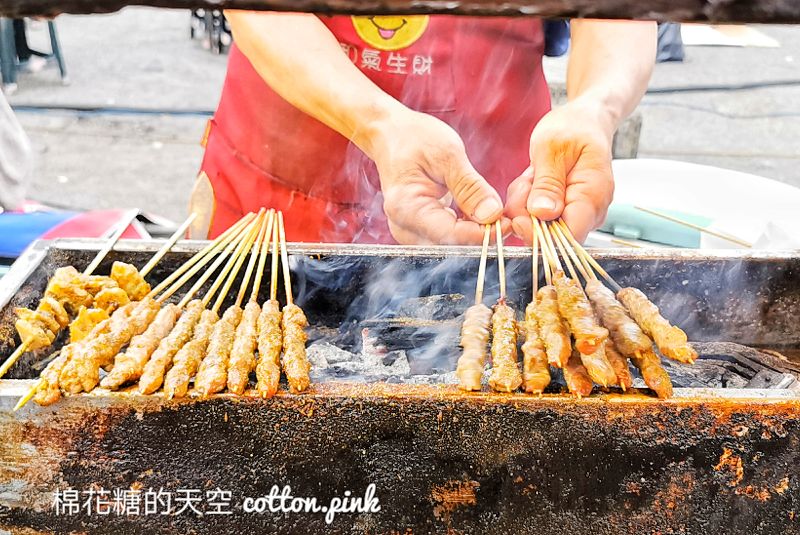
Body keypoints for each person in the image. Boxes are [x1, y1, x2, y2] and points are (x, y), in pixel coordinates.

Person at [194, 13, 656, 244]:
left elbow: (618, 10)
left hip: (488, 194)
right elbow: (257, 8)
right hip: (276, 187)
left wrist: (596, 107)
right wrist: (377, 123)